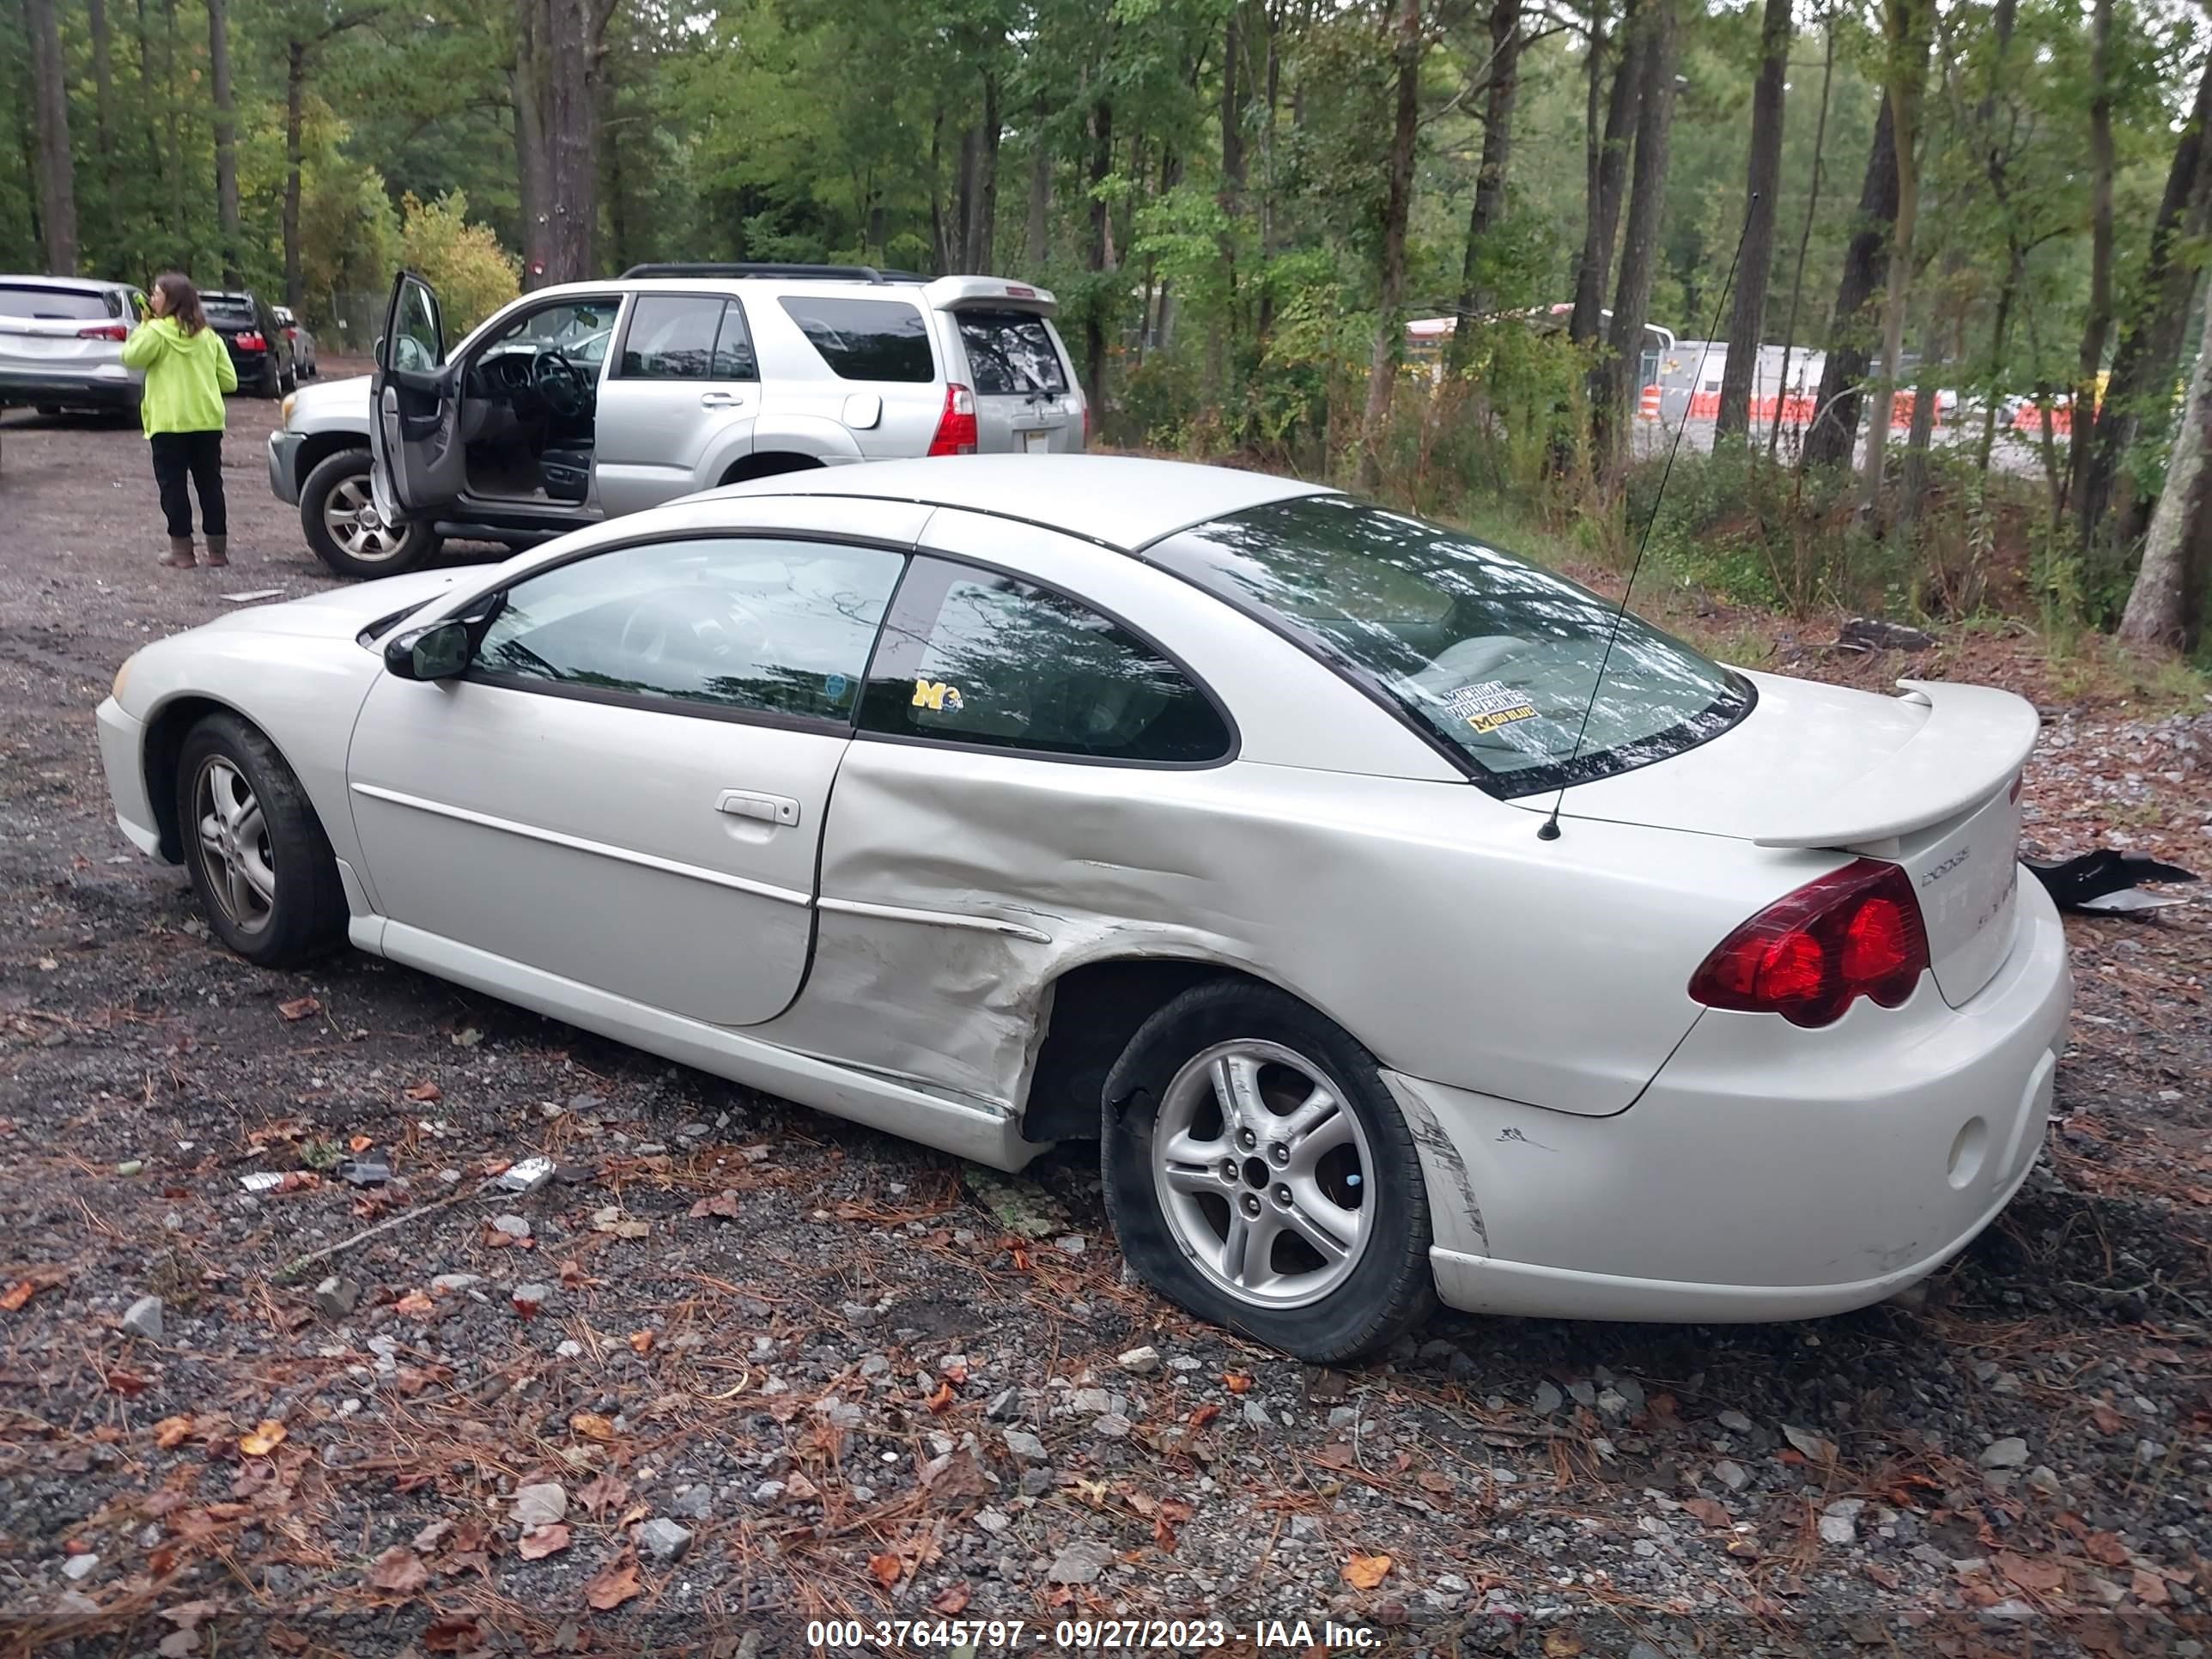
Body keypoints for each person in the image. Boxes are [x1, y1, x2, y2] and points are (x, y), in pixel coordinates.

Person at [121, 273, 238, 568]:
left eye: (157, 294)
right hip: (207, 422)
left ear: (170, 300)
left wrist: (145, 325)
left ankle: (183, 552)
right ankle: (217, 551)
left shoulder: (156, 332)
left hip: (169, 423)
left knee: (173, 486)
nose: (152, 298)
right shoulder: (209, 336)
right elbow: (229, 381)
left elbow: (131, 357)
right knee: (210, 484)